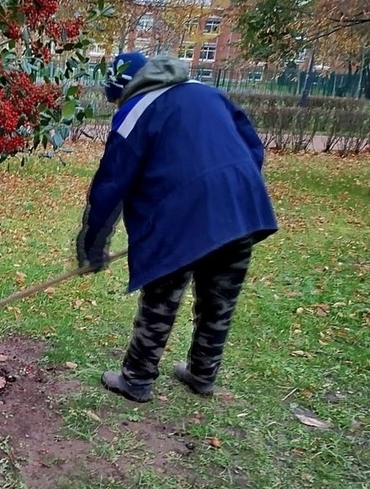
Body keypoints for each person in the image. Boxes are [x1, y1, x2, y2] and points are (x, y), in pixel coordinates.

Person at [75, 51, 278, 403]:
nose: (119, 104)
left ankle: (136, 379)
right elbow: (252, 147)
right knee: (219, 302)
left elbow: (111, 183)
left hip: (179, 217)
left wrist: (92, 247)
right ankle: (202, 374)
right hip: (241, 209)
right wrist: (228, 196)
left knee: (161, 299)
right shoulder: (207, 92)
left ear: (126, 86)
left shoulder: (136, 110)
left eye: (118, 97)